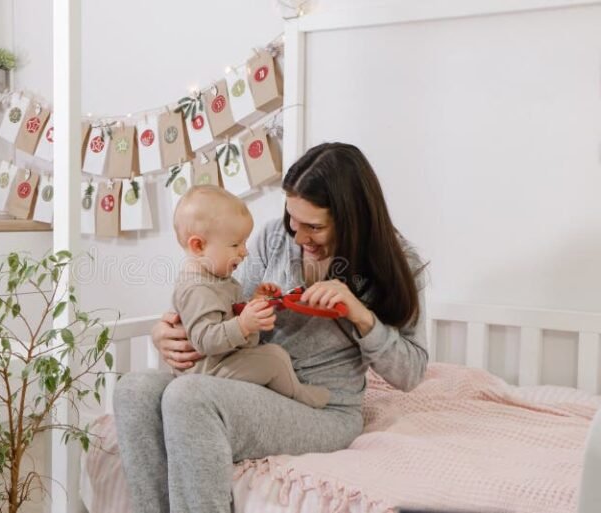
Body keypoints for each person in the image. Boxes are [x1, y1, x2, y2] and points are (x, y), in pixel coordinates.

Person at [113, 142, 429, 513]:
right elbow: (228, 312)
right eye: (293, 220)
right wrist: (165, 332)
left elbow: (412, 372)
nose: (298, 238)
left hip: (321, 408)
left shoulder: (400, 263)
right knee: (133, 390)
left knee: (190, 398)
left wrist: (361, 315)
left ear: (351, 218)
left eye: (314, 227)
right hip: (250, 380)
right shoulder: (273, 238)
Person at [171, 184, 330, 408]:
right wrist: (244, 325)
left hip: (221, 361)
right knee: (274, 359)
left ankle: (289, 392)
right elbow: (205, 340)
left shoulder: (219, 278)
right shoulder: (197, 288)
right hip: (206, 370)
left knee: (272, 355)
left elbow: (227, 317)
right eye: (235, 244)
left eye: (244, 242)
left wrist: (253, 304)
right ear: (198, 246)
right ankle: (299, 396)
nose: (245, 251)